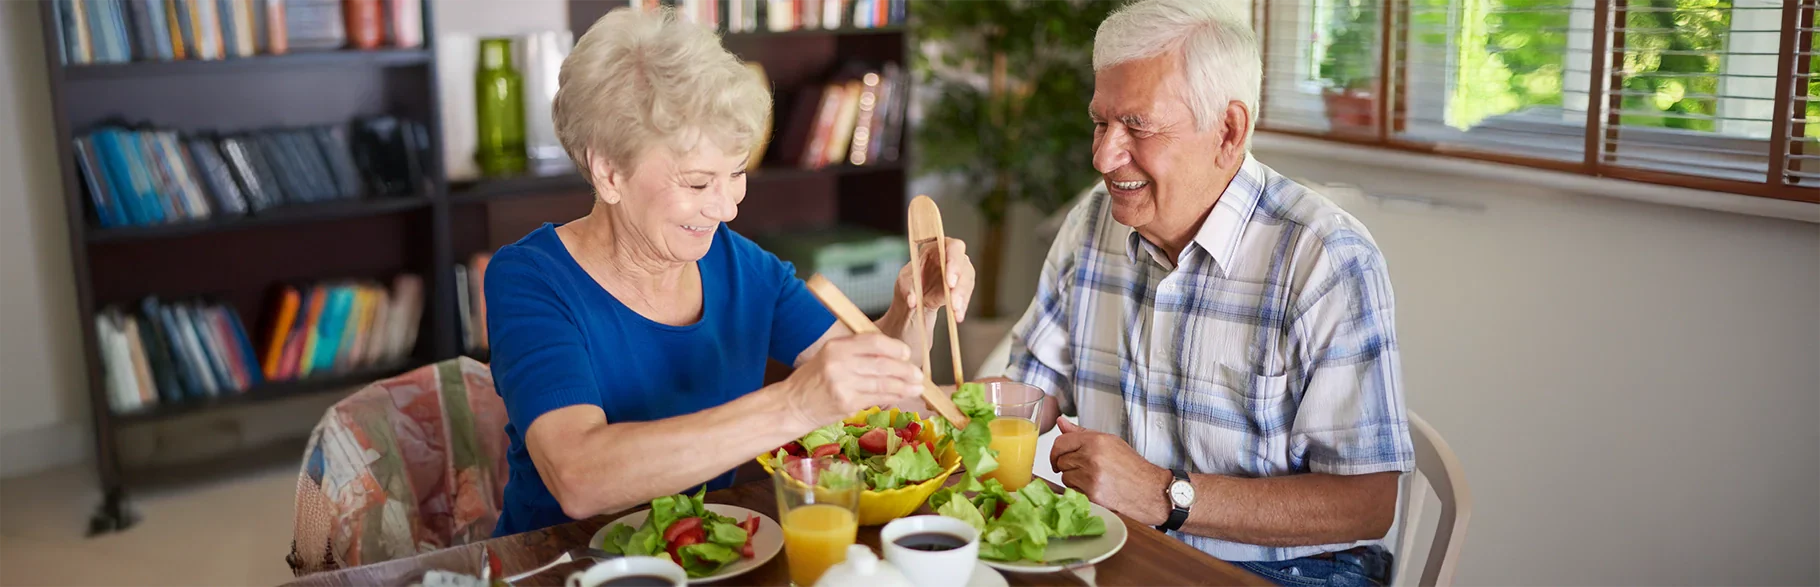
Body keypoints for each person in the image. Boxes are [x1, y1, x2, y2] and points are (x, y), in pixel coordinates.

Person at [484, 7, 975, 537]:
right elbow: (579, 478)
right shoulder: (531, 279)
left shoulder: (743, 267)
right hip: (560, 564)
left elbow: (879, 396)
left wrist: (913, 308)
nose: (727, 208)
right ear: (609, 172)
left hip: (707, 558)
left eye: (737, 173)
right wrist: (793, 404)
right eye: (698, 183)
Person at [1004, 0, 1414, 584]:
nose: (1103, 156)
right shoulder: (1093, 221)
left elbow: (1368, 504)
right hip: (1130, 556)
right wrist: (916, 390)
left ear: (1228, 130)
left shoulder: (1325, 257)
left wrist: (1163, 495)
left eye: (1137, 126)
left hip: (1296, 572)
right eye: (1100, 122)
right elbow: (1030, 390)